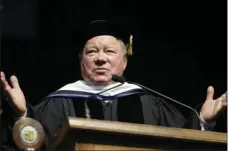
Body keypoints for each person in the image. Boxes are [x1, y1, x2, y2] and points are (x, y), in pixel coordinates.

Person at [0, 20, 227, 150]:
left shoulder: (147, 101)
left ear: (124, 62)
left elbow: (180, 144)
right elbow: (33, 143)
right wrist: (21, 115)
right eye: (91, 52)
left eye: (109, 51)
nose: (100, 58)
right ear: (81, 61)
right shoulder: (58, 103)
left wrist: (203, 121)